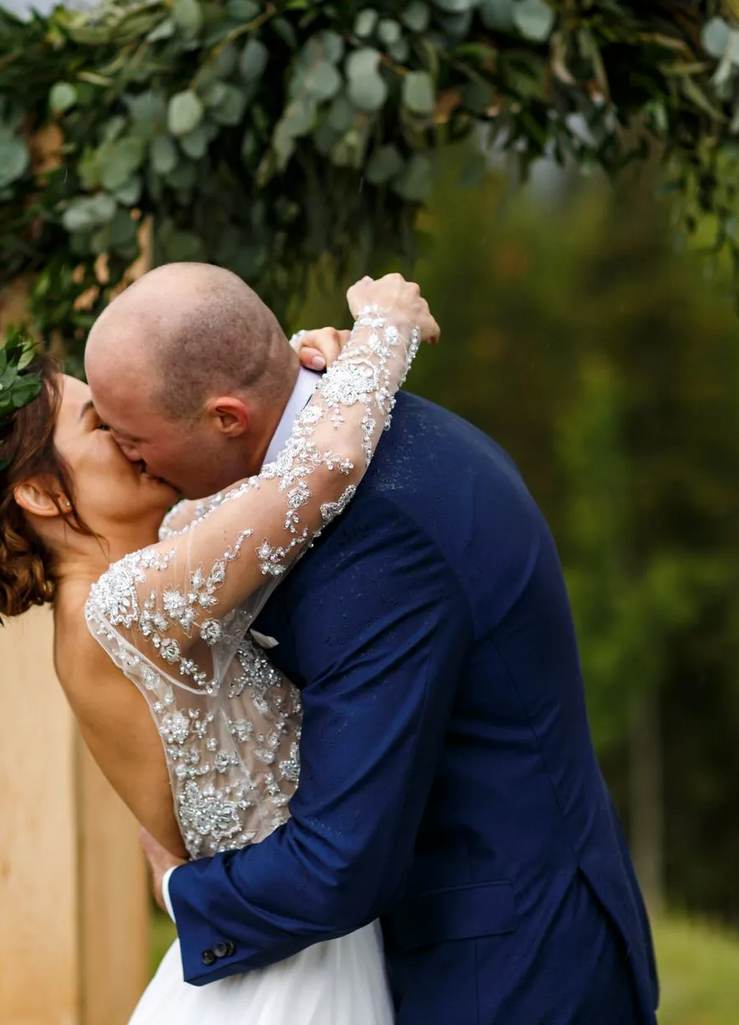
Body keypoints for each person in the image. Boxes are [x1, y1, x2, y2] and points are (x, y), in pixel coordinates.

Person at [84, 263, 659, 1025]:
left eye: (134, 439)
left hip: (505, 969)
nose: (133, 460)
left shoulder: (378, 534)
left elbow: (340, 860)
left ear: (227, 418)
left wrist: (178, 889)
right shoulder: (343, 426)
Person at [0, 272, 435, 1022]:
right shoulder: (127, 602)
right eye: (101, 426)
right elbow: (328, 463)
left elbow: (277, 465)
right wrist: (385, 324)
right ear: (45, 496)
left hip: (268, 939)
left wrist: (306, 367)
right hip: (299, 967)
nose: (131, 437)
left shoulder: (135, 580)